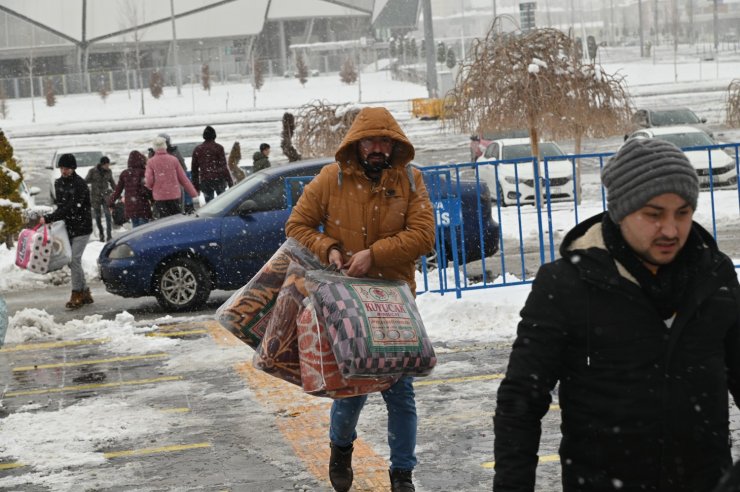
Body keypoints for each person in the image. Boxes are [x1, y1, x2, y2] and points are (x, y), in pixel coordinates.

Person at [493, 138, 740, 492]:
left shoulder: (714, 277)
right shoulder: (566, 285)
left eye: (683, 213)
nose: (670, 230)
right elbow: (521, 402)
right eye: (654, 215)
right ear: (621, 210)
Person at [285, 107, 435, 492]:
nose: (377, 148)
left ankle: (402, 475)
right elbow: (297, 225)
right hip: (345, 302)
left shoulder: (411, 180)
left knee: (400, 394)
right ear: (356, 144)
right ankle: (340, 447)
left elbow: (423, 236)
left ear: (394, 144)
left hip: (393, 303)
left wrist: (377, 254)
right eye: (370, 140)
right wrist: (329, 247)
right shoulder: (331, 179)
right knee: (352, 389)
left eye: (385, 141)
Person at [39, 154, 94, 309]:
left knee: (74, 260)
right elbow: (61, 206)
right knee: (73, 262)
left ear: (73, 168)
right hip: (68, 228)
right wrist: (55, 219)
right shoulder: (58, 183)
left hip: (82, 228)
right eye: (62, 168)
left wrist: (50, 218)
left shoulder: (80, 184)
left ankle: (76, 294)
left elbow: (72, 207)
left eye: (67, 168)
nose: (64, 171)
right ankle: (85, 292)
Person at [145, 136, 198, 219]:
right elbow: (183, 178)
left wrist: (150, 186)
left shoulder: (151, 162)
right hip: (174, 195)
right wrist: (192, 192)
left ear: (154, 148)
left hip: (160, 196)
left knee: (164, 220)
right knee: (176, 219)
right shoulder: (173, 160)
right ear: (165, 146)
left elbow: (149, 179)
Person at [108, 150, 153, 227]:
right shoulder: (143, 172)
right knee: (144, 230)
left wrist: (111, 202)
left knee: (136, 228)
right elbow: (147, 189)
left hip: (130, 207)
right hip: (143, 206)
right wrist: (153, 199)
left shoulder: (125, 174)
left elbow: (117, 190)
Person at [191, 125, 233, 203]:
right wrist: (230, 182)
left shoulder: (198, 149)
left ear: (204, 136)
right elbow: (224, 167)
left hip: (205, 181)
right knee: (223, 203)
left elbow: (194, 170)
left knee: (209, 204)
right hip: (219, 179)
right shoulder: (219, 148)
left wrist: (196, 187)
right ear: (214, 136)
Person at [85, 156, 116, 241]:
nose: (107, 166)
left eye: (108, 165)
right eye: (106, 165)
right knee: (98, 217)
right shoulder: (92, 171)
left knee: (108, 215)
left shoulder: (109, 171)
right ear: (102, 164)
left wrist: (117, 193)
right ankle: (101, 234)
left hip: (106, 196)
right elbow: (86, 181)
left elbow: (112, 182)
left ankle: (109, 235)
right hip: (95, 196)